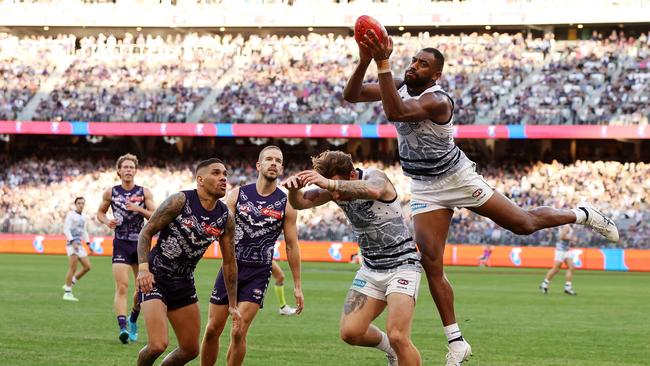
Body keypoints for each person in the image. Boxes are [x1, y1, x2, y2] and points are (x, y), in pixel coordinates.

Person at [343, 30, 619, 365]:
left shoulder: (437, 99)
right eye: (414, 60)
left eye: (424, 64)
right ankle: (456, 341)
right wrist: (365, 59)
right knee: (430, 261)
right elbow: (353, 94)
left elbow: (397, 113)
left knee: (523, 224)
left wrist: (383, 63)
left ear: (436, 74)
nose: (415, 66)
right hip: (425, 186)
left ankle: (583, 213)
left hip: (457, 178)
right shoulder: (399, 82)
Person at [283, 150, 421, 366]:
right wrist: (294, 189)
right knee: (350, 332)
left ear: (351, 176)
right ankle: (391, 352)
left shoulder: (375, 177)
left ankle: (397, 348)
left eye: (335, 185)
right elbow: (300, 203)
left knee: (398, 335)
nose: (335, 196)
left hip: (402, 265)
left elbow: (373, 191)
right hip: (370, 269)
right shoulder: (335, 187)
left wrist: (329, 184)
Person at [200, 145, 303, 366]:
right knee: (211, 330)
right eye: (269, 159)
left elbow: (292, 246)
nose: (273, 163)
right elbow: (219, 230)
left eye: (278, 160)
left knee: (238, 331)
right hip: (231, 270)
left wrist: (297, 285)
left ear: (282, 167)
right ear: (259, 165)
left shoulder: (287, 204)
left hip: (258, 273)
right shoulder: (237, 195)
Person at [136, 158, 241, 366]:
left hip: (184, 282)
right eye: (217, 173)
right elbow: (146, 232)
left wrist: (232, 304)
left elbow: (229, 262)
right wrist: (143, 269)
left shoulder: (225, 218)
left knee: (190, 349)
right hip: (156, 276)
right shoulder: (180, 201)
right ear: (200, 179)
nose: (223, 178)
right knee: (157, 344)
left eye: (225, 174)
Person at [97, 153, 155, 343]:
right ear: (119, 171)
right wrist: (107, 221)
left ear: (135, 171)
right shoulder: (111, 192)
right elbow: (100, 212)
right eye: (125, 167)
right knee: (122, 286)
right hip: (121, 243)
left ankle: (133, 318)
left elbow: (154, 216)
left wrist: (138, 209)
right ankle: (123, 328)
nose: (129, 170)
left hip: (141, 243)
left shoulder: (144, 192)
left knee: (142, 289)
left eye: (132, 167)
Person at [61, 197, 92, 301]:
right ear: (75, 204)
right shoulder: (71, 215)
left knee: (87, 267)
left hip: (79, 245)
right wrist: (72, 241)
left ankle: (71, 282)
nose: (81, 205)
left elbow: (84, 231)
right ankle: (67, 293)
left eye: (82, 203)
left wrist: (88, 243)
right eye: (79, 203)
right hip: (72, 244)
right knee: (73, 268)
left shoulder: (84, 217)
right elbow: (66, 229)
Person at [540, 226, 578, 295]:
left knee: (571, 267)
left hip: (566, 250)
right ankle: (544, 284)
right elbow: (561, 237)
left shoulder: (568, 226)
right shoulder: (567, 227)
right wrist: (572, 239)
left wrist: (571, 242)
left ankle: (568, 287)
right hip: (561, 251)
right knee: (556, 269)